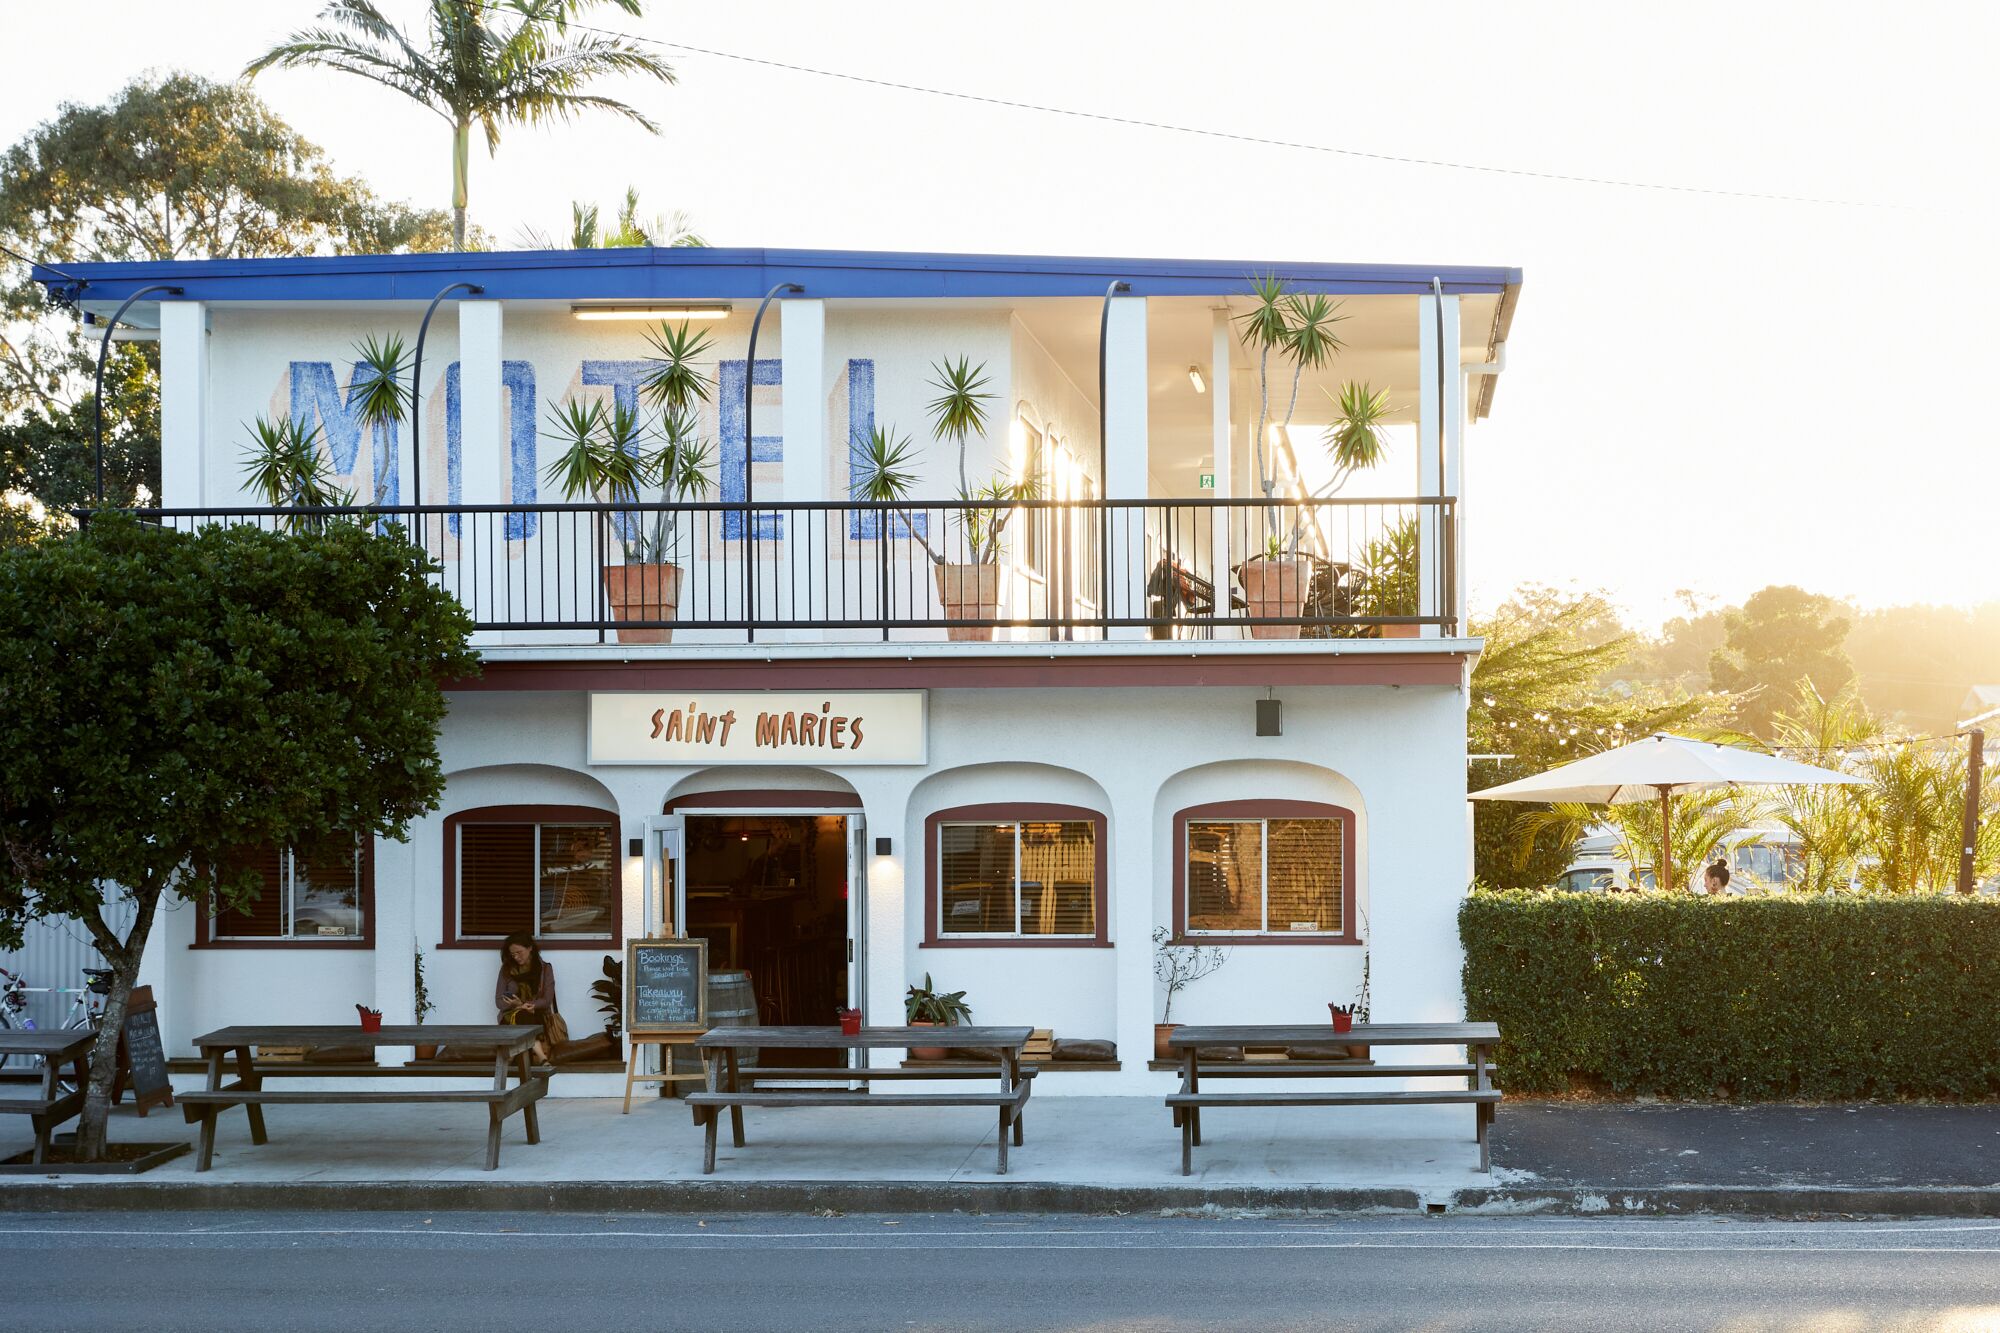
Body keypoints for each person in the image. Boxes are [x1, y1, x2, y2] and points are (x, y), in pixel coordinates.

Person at [495, 932, 567, 1062]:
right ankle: (542, 1057)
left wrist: (526, 1005)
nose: (516, 957)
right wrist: (516, 1005)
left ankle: (510, 1057)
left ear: (530, 948)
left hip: (537, 1014)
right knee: (522, 1015)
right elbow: (499, 1002)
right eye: (513, 954)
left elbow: (547, 999)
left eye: (519, 952)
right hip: (510, 1016)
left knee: (525, 1015)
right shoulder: (506, 970)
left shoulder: (545, 969)